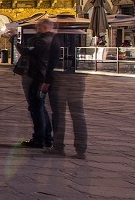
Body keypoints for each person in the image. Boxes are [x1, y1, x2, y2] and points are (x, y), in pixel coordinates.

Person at [14, 18, 57, 148]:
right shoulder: (49, 40)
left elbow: (25, 51)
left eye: (38, 27)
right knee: (40, 108)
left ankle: (39, 139)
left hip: (35, 76)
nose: (35, 29)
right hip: (41, 76)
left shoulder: (43, 41)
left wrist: (14, 39)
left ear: (44, 28)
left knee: (36, 108)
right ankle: (47, 138)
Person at [46, 53, 88, 159]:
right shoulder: (77, 38)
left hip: (60, 77)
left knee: (59, 114)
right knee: (78, 114)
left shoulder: (57, 38)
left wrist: (47, 81)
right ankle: (81, 149)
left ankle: (58, 146)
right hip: (78, 77)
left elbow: (52, 61)